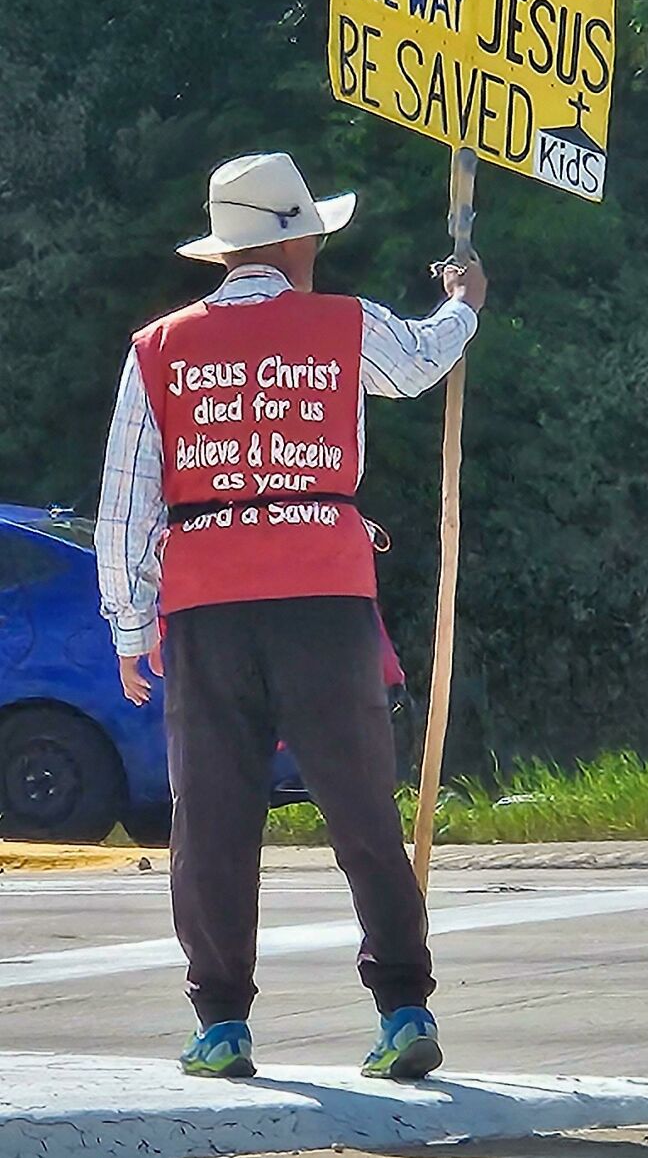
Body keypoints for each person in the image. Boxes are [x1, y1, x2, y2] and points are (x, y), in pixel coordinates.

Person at [95, 151, 487, 1081]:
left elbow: (126, 507)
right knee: (359, 811)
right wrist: (465, 300)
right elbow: (424, 363)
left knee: (215, 821)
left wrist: (128, 625)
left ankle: (222, 1024)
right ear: (303, 237)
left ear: (224, 251)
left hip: (209, 607)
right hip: (326, 595)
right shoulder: (343, 325)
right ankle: (403, 1008)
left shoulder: (158, 347)